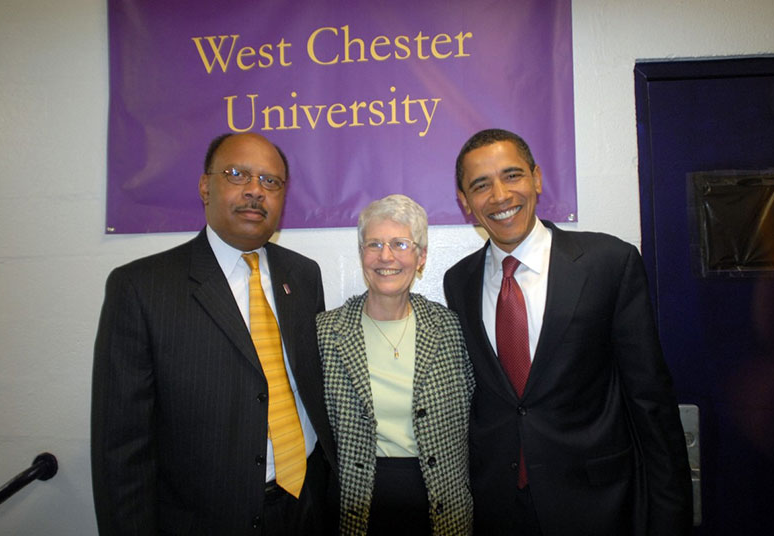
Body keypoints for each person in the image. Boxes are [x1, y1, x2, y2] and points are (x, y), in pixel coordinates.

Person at [444, 128, 692, 535]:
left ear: (537, 178)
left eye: (512, 175)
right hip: (498, 507)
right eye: (480, 185)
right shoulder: (459, 281)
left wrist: (669, 515)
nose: (501, 196)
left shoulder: (609, 263)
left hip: (598, 504)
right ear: (465, 202)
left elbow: (650, 401)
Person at [91, 132, 337, 534]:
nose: (256, 191)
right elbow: (121, 448)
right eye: (238, 174)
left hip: (306, 504)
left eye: (271, 182)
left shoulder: (304, 275)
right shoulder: (142, 288)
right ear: (206, 186)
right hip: (206, 518)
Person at [317, 194, 474, 535]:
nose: (385, 256)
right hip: (354, 509)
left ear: (421, 257)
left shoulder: (452, 329)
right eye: (374, 244)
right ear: (361, 255)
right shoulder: (325, 333)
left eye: (400, 244)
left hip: (444, 510)